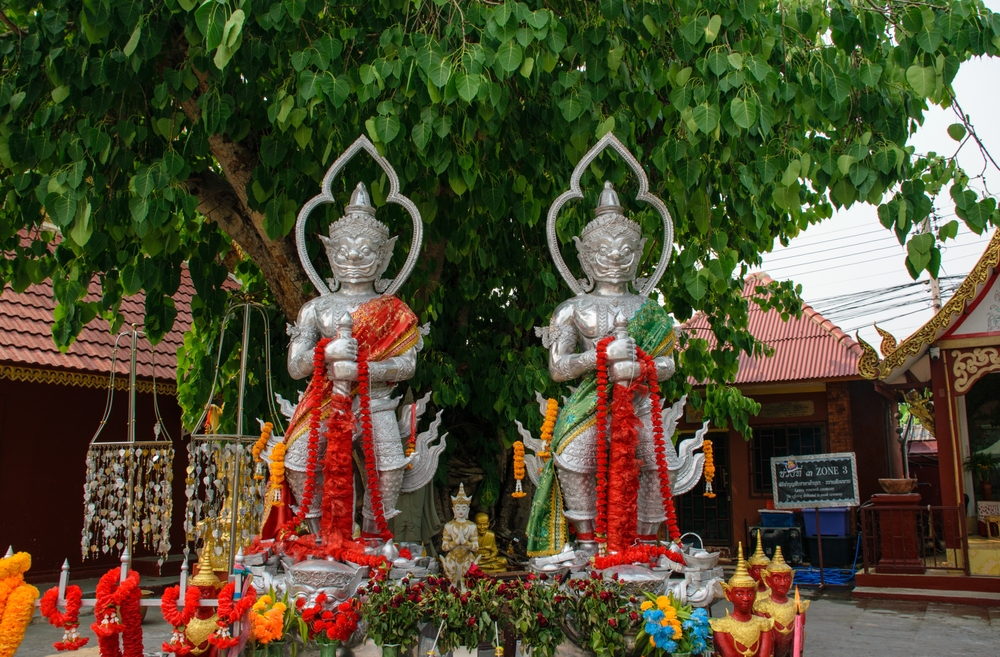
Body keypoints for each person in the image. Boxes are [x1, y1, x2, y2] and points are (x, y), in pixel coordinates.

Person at [262, 182, 421, 545]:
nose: (352, 258)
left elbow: (407, 364)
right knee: (300, 463)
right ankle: (320, 538)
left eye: (365, 252)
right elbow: (294, 365)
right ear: (330, 254)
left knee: (389, 467)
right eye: (344, 251)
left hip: (375, 400)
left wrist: (367, 371)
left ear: (384, 257)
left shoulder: (393, 311)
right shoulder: (316, 309)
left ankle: (373, 539)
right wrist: (327, 353)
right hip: (323, 400)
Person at [527, 182, 676, 556]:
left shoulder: (652, 310)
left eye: (625, 250)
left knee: (662, 464)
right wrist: (601, 358)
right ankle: (588, 540)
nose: (614, 257)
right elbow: (558, 368)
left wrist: (639, 367)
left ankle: (644, 538)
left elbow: (669, 364)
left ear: (640, 253)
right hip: (590, 403)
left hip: (639, 403)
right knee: (573, 454)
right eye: (603, 250)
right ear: (585, 255)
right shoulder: (572, 309)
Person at [710, 543, 775, 657]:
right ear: (729, 594)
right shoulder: (721, 626)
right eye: (740, 594)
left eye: (750, 594)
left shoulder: (764, 624)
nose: (746, 598)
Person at [754, 547, 808, 657]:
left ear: (791, 579)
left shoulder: (797, 606)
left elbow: (798, 637)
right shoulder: (762, 607)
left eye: (786, 578)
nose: (783, 583)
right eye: (777, 579)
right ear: (767, 580)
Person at [440, 484, 479, 582]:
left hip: (467, 557)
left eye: (463, 508)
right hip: (452, 557)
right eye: (458, 508)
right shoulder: (448, 526)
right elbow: (444, 547)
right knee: (452, 585)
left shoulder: (472, 526)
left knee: (466, 584)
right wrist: (456, 542)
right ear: (453, 510)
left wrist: (465, 542)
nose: (461, 511)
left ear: (468, 510)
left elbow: (476, 547)